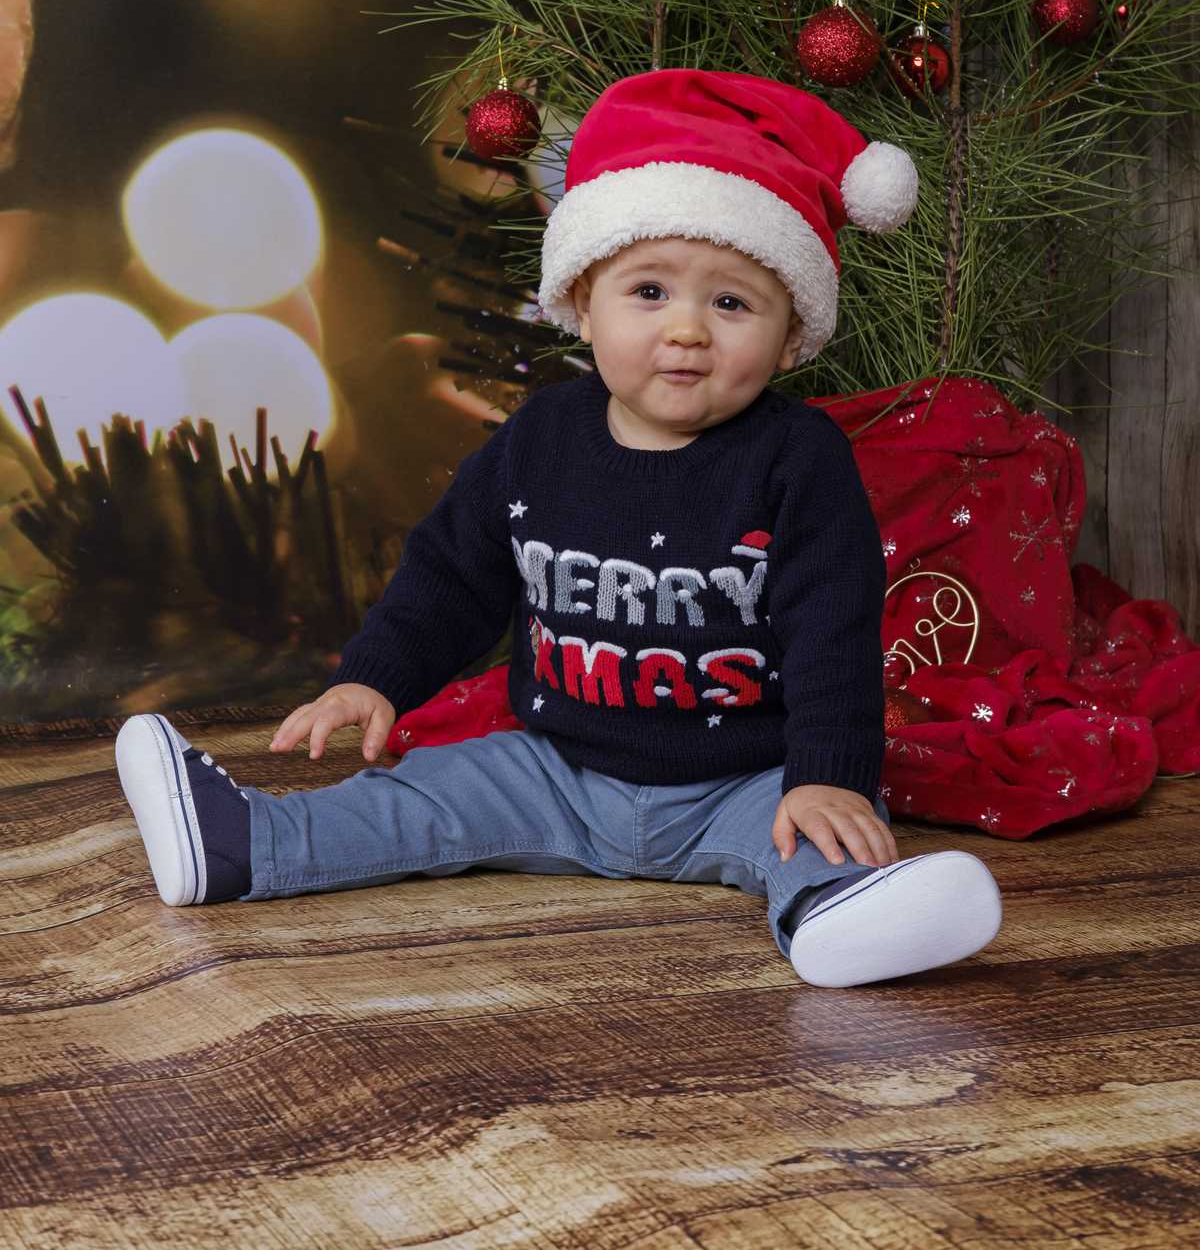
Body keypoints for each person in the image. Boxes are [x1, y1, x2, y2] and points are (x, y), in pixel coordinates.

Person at [115, 69, 1003, 988]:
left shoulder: (797, 457)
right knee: (416, 798)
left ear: (790, 338)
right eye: (649, 291)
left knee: (821, 831)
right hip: (554, 769)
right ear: (582, 303)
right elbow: (453, 573)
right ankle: (242, 846)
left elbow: (835, 634)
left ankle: (836, 915)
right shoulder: (540, 439)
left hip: (740, 781)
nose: (689, 331)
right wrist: (376, 678)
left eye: (732, 303)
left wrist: (828, 775)